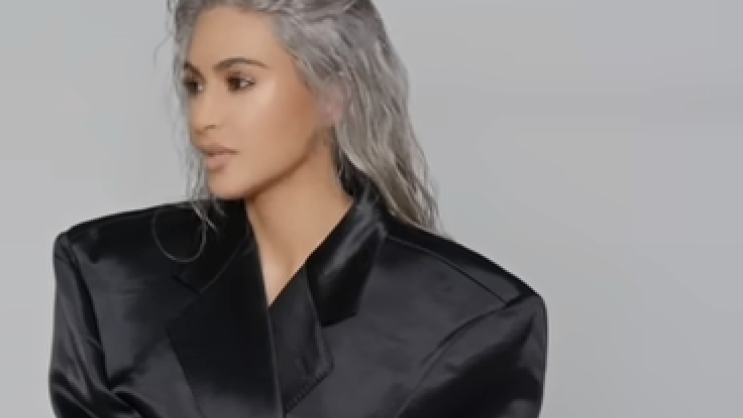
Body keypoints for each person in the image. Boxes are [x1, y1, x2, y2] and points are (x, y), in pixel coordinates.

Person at [48, 1, 548, 417]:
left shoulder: (473, 319)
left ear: (334, 94)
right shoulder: (108, 274)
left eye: (239, 82)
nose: (202, 118)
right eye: (194, 85)